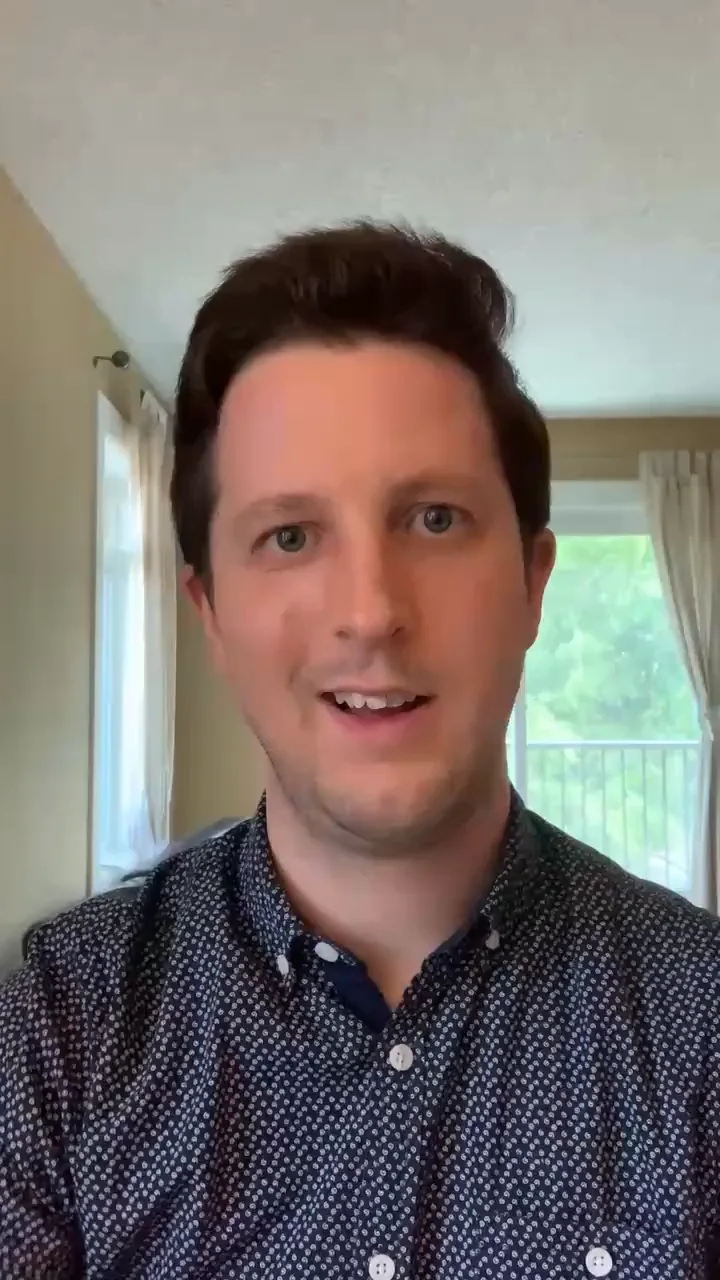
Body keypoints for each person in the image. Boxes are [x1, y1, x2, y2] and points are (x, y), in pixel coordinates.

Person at [1, 222, 719, 1280]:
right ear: (209, 612)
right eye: (290, 536)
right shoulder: (60, 1029)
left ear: (532, 584)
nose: (372, 612)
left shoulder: (701, 1021)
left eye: (435, 519)